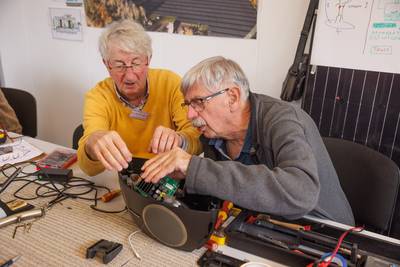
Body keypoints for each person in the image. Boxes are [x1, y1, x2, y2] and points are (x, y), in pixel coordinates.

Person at [140, 56, 355, 225]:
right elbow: (227, 186)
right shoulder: (214, 133)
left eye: (198, 103)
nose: (189, 115)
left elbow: (300, 193)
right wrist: (185, 176)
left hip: (325, 235)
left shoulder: (283, 120)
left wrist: (195, 168)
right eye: (187, 105)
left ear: (232, 97)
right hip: (261, 225)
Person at [77, 20, 201, 176]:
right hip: (122, 178)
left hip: (167, 176)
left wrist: (180, 139)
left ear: (148, 60)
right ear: (107, 64)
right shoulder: (98, 96)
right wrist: (91, 145)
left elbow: (197, 138)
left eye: (136, 63)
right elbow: (88, 168)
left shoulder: (171, 84)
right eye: (119, 65)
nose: (129, 76)